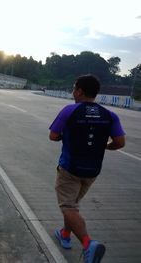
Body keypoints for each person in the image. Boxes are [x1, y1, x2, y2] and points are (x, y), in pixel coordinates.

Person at [49, 74, 125, 263]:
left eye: (74, 88)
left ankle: (88, 243)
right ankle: (65, 234)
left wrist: (64, 136)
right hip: (92, 171)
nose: (73, 92)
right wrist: (105, 146)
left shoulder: (69, 110)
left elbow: (53, 135)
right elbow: (120, 142)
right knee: (72, 205)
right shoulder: (110, 115)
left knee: (68, 207)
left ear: (80, 91)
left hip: (70, 169)